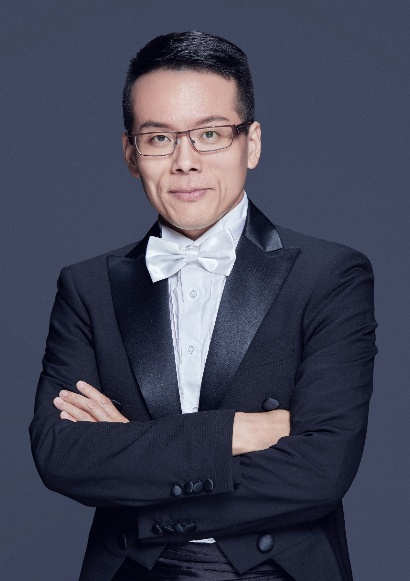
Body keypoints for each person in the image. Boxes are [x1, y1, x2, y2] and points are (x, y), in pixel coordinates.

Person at [29, 31, 377, 581]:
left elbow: (321, 471)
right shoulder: (87, 287)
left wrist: (134, 458)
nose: (184, 162)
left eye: (210, 134)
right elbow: (62, 456)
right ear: (131, 154)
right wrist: (237, 432)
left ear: (251, 144)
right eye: (159, 138)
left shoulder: (330, 275)